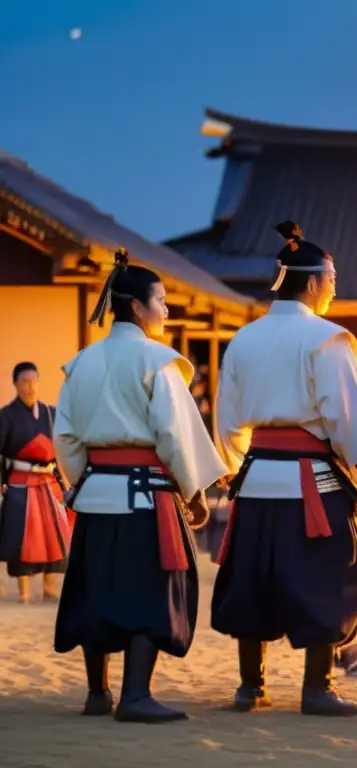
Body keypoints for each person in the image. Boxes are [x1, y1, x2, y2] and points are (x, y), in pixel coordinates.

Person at [211, 221, 357, 717]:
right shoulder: (327, 339)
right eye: (331, 281)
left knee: (254, 579)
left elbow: (228, 419)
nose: (334, 291)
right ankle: (317, 689)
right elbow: (345, 412)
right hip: (313, 480)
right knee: (326, 578)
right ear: (312, 282)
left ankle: (250, 687)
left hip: (258, 476)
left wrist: (234, 469)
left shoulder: (243, 338)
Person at [53, 248, 227, 722]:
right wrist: (193, 492)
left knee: (97, 588)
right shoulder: (157, 360)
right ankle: (135, 696)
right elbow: (174, 433)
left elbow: (65, 436)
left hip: (96, 494)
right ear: (137, 307)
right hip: (145, 496)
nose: (167, 310)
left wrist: (82, 482)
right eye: (162, 301)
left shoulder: (82, 361)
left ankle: (97, 693)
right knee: (149, 589)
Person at [0, 362, 72, 602]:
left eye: (34, 380)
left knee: (55, 532)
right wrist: (2, 481)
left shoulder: (51, 414)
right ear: (16, 385)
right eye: (25, 381)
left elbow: (63, 448)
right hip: (21, 479)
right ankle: (24, 590)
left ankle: (50, 587)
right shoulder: (6, 416)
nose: (31, 386)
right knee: (22, 533)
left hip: (49, 481)